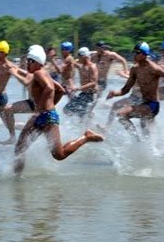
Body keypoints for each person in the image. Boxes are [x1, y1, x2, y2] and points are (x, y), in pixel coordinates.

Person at [11, 46, 104, 174]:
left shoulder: (39, 73)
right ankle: (17, 179)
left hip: (46, 117)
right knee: (20, 148)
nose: (28, 63)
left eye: (30, 61)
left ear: (37, 62)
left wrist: (41, 109)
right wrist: (49, 105)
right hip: (44, 115)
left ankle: (86, 137)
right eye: (27, 60)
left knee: (59, 155)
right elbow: (60, 90)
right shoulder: (41, 73)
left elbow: (50, 88)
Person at [106, 42, 164, 140]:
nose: (134, 55)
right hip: (143, 104)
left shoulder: (153, 68)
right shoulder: (135, 69)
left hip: (152, 105)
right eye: (134, 53)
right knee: (147, 134)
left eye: (136, 53)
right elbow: (125, 90)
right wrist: (115, 93)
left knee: (121, 115)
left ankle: (137, 141)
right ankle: (154, 148)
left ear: (143, 54)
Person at [0, 45, 44, 145]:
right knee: (8, 109)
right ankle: (12, 137)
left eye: (29, 59)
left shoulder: (37, 70)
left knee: (31, 134)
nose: (28, 61)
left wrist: (14, 73)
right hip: (31, 103)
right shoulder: (32, 69)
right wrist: (11, 66)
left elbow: (26, 82)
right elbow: (23, 72)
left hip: (39, 107)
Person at [63, 47, 99, 120]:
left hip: (91, 95)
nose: (78, 59)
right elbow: (71, 62)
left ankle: (90, 122)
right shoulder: (81, 66)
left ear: (85, 56)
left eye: (79, 57)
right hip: (83, 94)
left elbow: (93, 83)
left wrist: (78, 88)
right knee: (67, 110)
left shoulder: (92, 67)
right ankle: (86, 118)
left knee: (82, 117)